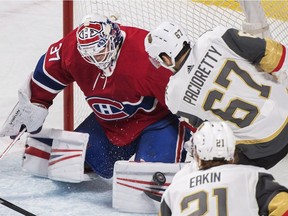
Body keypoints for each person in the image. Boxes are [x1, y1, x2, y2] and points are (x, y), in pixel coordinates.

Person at [0, 14, 191, 179]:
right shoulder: (73, 50)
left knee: (152, 183)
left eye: (100, 52)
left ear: (113, 37)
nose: (96, 60)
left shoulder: (146, 56)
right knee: (64, 165)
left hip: (156, 122)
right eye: (90, 56)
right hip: (109, 124)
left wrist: (200, 137)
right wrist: (37, 103)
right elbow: (48, 72)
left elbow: (186, 101)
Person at [144, 21, 288, 170]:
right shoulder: (216, 37)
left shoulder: (174, 97)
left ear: (166, 58)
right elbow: (274, 54)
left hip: (265, 153)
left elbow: (210, 134)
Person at [159, 121, 288, 216]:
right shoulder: (252, 177)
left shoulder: (174, 190)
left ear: (197, 152)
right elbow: (284, 208)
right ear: (233, 150)